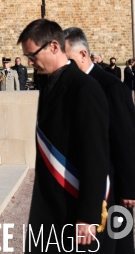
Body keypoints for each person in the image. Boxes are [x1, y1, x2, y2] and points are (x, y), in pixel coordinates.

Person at [17, 19, 109, 252]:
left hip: (71, 203)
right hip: (50, 201)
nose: (30, 62)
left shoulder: (84, 88)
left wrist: (88, 215)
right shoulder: (48, 83)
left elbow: (95, 155)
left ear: (54, 47)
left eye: (33, 55)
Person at [64, 27, 135, 253]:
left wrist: (129, 189)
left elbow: (126, 140)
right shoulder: (71, 86)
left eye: (68, 61)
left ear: (83, 55)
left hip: (113, 187)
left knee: (119, 244)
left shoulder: (111, 87)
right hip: (87, 182)